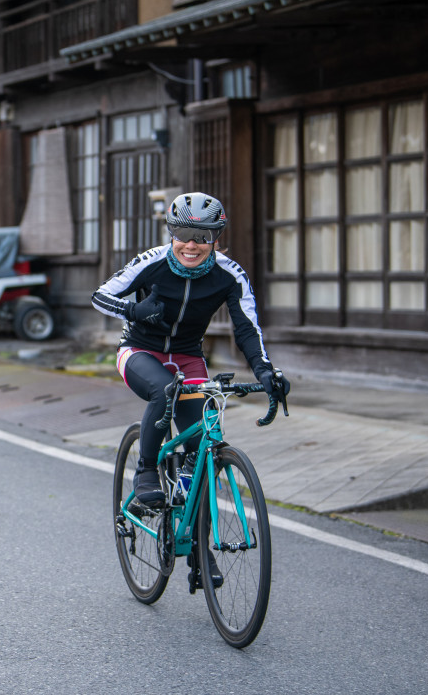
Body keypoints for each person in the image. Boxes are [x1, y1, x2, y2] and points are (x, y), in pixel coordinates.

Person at [93, 191, 290, 503]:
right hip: (139, 350)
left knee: (202, 452)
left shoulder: (229, 274)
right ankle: (145, 470)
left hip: (187, 356)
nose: (191, 245)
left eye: (203, 236)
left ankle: (199, 545)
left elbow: (247, 329)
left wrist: (265, 371)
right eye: (183, 233)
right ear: (172, 232)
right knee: (164, 389)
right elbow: (100, 297)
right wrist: (134, 311)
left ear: (216, 237)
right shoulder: (151, 262)